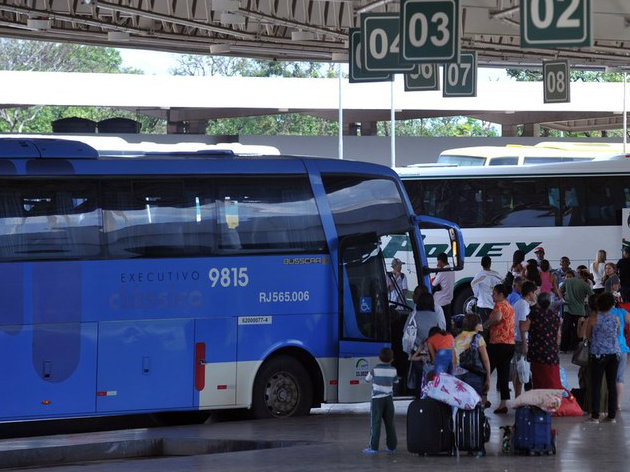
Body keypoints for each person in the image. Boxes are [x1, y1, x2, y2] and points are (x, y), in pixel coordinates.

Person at [584, 292, 621, 424]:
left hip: (598, 354)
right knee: (612, 384)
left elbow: (587, 336)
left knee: (596, 384)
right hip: (614, 353)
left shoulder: (593, 319)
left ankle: (595, 416)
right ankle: (612, 416)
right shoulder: (616, 318)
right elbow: (616, 333)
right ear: (611, 305)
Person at [483, 284, 515, 414]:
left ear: (501, 294)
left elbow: (497, 318)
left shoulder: (499, 305)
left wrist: (486, 324)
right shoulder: (509, 305)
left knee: (486, 371)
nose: (492, 295)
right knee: (503, 374)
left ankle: (483, 398)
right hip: (509, 344)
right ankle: (503, 403)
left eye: (494, 293)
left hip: (498, 344)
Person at [523, 292, 562, 390]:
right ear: (550, 303)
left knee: (539, 382)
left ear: (538, 303)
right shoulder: (555, 316)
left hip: (537, 353)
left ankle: (540, 404)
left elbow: (523, 328)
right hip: (552, 354)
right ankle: (552, 404)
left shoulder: (533, 314)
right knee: (552, 382)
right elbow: (558, 336)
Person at [363, 347, 398, 453]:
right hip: (389, 399)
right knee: (390, 423)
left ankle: (373, 447)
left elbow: (367, 379)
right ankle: (391, 447)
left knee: (375, 423)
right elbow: (395, 381)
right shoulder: (393, 370)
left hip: (377, 400)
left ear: (379, 358)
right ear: (392, 359)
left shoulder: (375, 370)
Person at [454, 314, 491, 401]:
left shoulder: (456, 339)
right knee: (475, 401)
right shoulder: (478, 338)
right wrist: (488, 377)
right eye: (480, 324)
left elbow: (454, 361)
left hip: (459, 374)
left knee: (461, 401)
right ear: (476, 325)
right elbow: (485, 360)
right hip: (475, 374)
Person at [511, 281, 537, 397]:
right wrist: (525, 345)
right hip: (521, 341)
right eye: (534, 292)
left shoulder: (522, 304)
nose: (535, 295)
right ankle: (518, 397)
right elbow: (522, 325)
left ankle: (519, 397)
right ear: (530, 293)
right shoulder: (522, 306)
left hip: (520, 340)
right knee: (521, 370)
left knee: (521, 369)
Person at [559, 269, 593, 352]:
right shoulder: (585, 284)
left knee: (566, 329)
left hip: (568, 309)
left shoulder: (567, 281)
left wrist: (562, 299)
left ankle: (563, 348)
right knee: (579, 330)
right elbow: (592, 296)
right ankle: (577, 347)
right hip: (580, 310)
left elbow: (560, 291)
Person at [471, 256, 502, 326]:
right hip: (494, 305)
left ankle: (484, 337)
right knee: (494, 326)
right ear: (490, 264)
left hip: (483, 304)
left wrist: (477, 295)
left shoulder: (479, 275)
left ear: (481, 264)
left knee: (483, 326)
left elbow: (473, 284)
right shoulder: (496, 275)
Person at [610, 303, 630, 411]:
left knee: (607, 377)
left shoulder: (601, 313)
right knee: (619, 377)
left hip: (606, 350)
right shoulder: (621, 312)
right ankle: (617, 403)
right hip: (621, 348)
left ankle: (607, 402)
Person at [431, 252, 455, 332]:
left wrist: (437, 271)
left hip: (439, 302)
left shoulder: (442, 271)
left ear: (440, 262)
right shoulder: (451, 270)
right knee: (447, 325)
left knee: (440, 326)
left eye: (438, 262)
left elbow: (433, 285)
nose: (437, 264)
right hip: (448, 301)